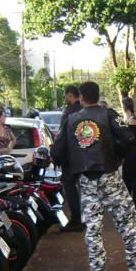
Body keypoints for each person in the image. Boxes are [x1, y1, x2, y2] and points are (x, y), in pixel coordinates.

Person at [50, 81, 136, 271]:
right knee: (127, 221)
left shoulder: (71, 119)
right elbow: (128, 138)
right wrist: (117, 156)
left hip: (86, 180)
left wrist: (75, 165)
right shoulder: (110, 114)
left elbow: (57, 152)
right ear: (97, 95)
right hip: (109, 177)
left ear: (81, 98)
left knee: (92, 227)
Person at [56, 85, 84, 232]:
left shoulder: (68, 111)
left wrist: (56, 152)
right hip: (86, 156)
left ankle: (76, 220)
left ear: (70, 95)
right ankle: (84, 218)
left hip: (70, 157)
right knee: (85, 189)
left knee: (70, 188)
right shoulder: (84, 110)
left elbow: (62, 135)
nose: (65, 98)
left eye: (65, 95)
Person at [120, 96, 136, 210]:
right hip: (130, 152)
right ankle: (129, 201)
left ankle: (135, 202)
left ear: (125, 106)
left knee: (132, 177)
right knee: (126, 177)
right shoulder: (129, 119)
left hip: (132, 152)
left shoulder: (132, 120)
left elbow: (130, 139)